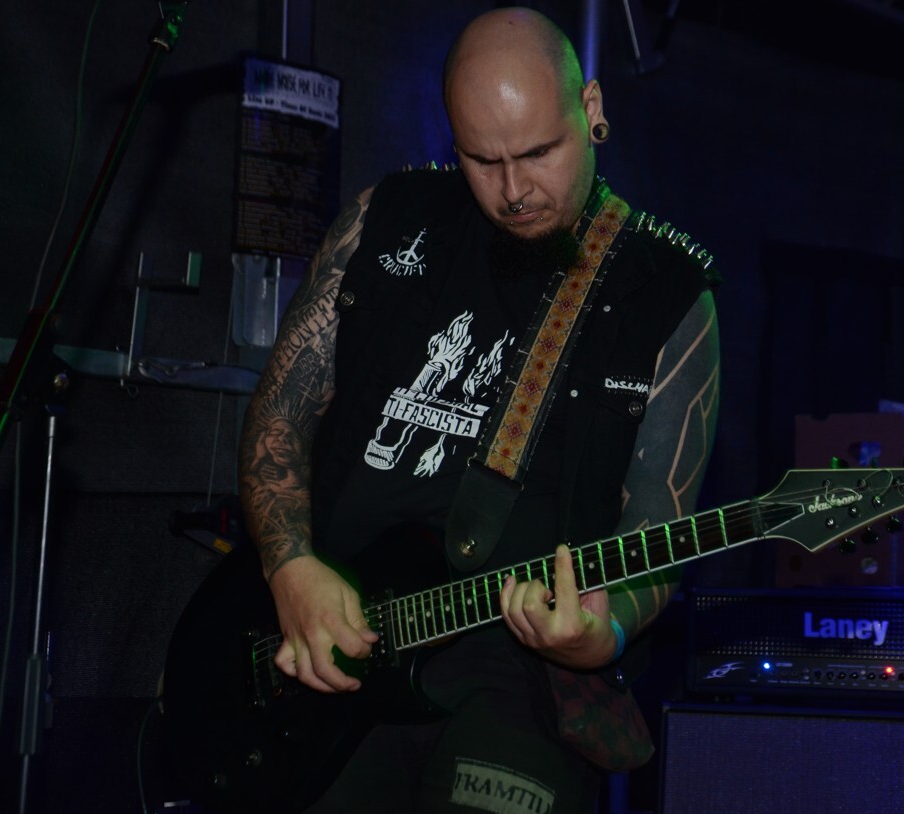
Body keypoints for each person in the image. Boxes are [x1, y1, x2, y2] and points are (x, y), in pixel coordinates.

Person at [237, 7, 720, 813]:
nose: (513, 190)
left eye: (537, 153)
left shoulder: (666, 295)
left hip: (520, 684)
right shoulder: (385, 220)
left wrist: (601, 632)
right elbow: (279, 413)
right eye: (482, 159)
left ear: (591, 109)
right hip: (332, 652)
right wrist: (289, 566)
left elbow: (657, 530)